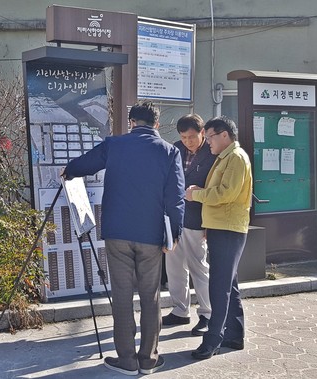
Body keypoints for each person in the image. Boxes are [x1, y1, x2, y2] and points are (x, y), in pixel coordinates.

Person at [63, 100, 185, 376]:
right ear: (156, 123)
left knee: (121, 296)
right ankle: (149, 359)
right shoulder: (169, 152)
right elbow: (176, 198)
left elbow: (85, 164)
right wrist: (174, 234)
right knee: (150, 296)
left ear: (131, 122)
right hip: (151, 235)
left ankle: (127, 360)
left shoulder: (114, 145)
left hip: (117, 232)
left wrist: (69, 170)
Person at [185, 116, 252, 360]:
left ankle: (212, 340)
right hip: (220, 227)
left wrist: (196, 195)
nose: (208, 141)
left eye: (210, 136)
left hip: (228, 229)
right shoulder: (225, 157)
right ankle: (235, 335)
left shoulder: (235, 157)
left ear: (224, 135)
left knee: (219, 286)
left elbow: (225, 194)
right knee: (229, 284)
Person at [162, 114, 215, 336]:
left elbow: (213, 189)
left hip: (198, 219)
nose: (188, 141)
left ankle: (207, 314)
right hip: (174, 218)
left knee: (198, 267)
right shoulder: (175, 149)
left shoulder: (212, 154)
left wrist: (209, 224)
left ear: (202, 133)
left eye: (192, 137)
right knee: (174, 266)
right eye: (183, 137)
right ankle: (180, 310)